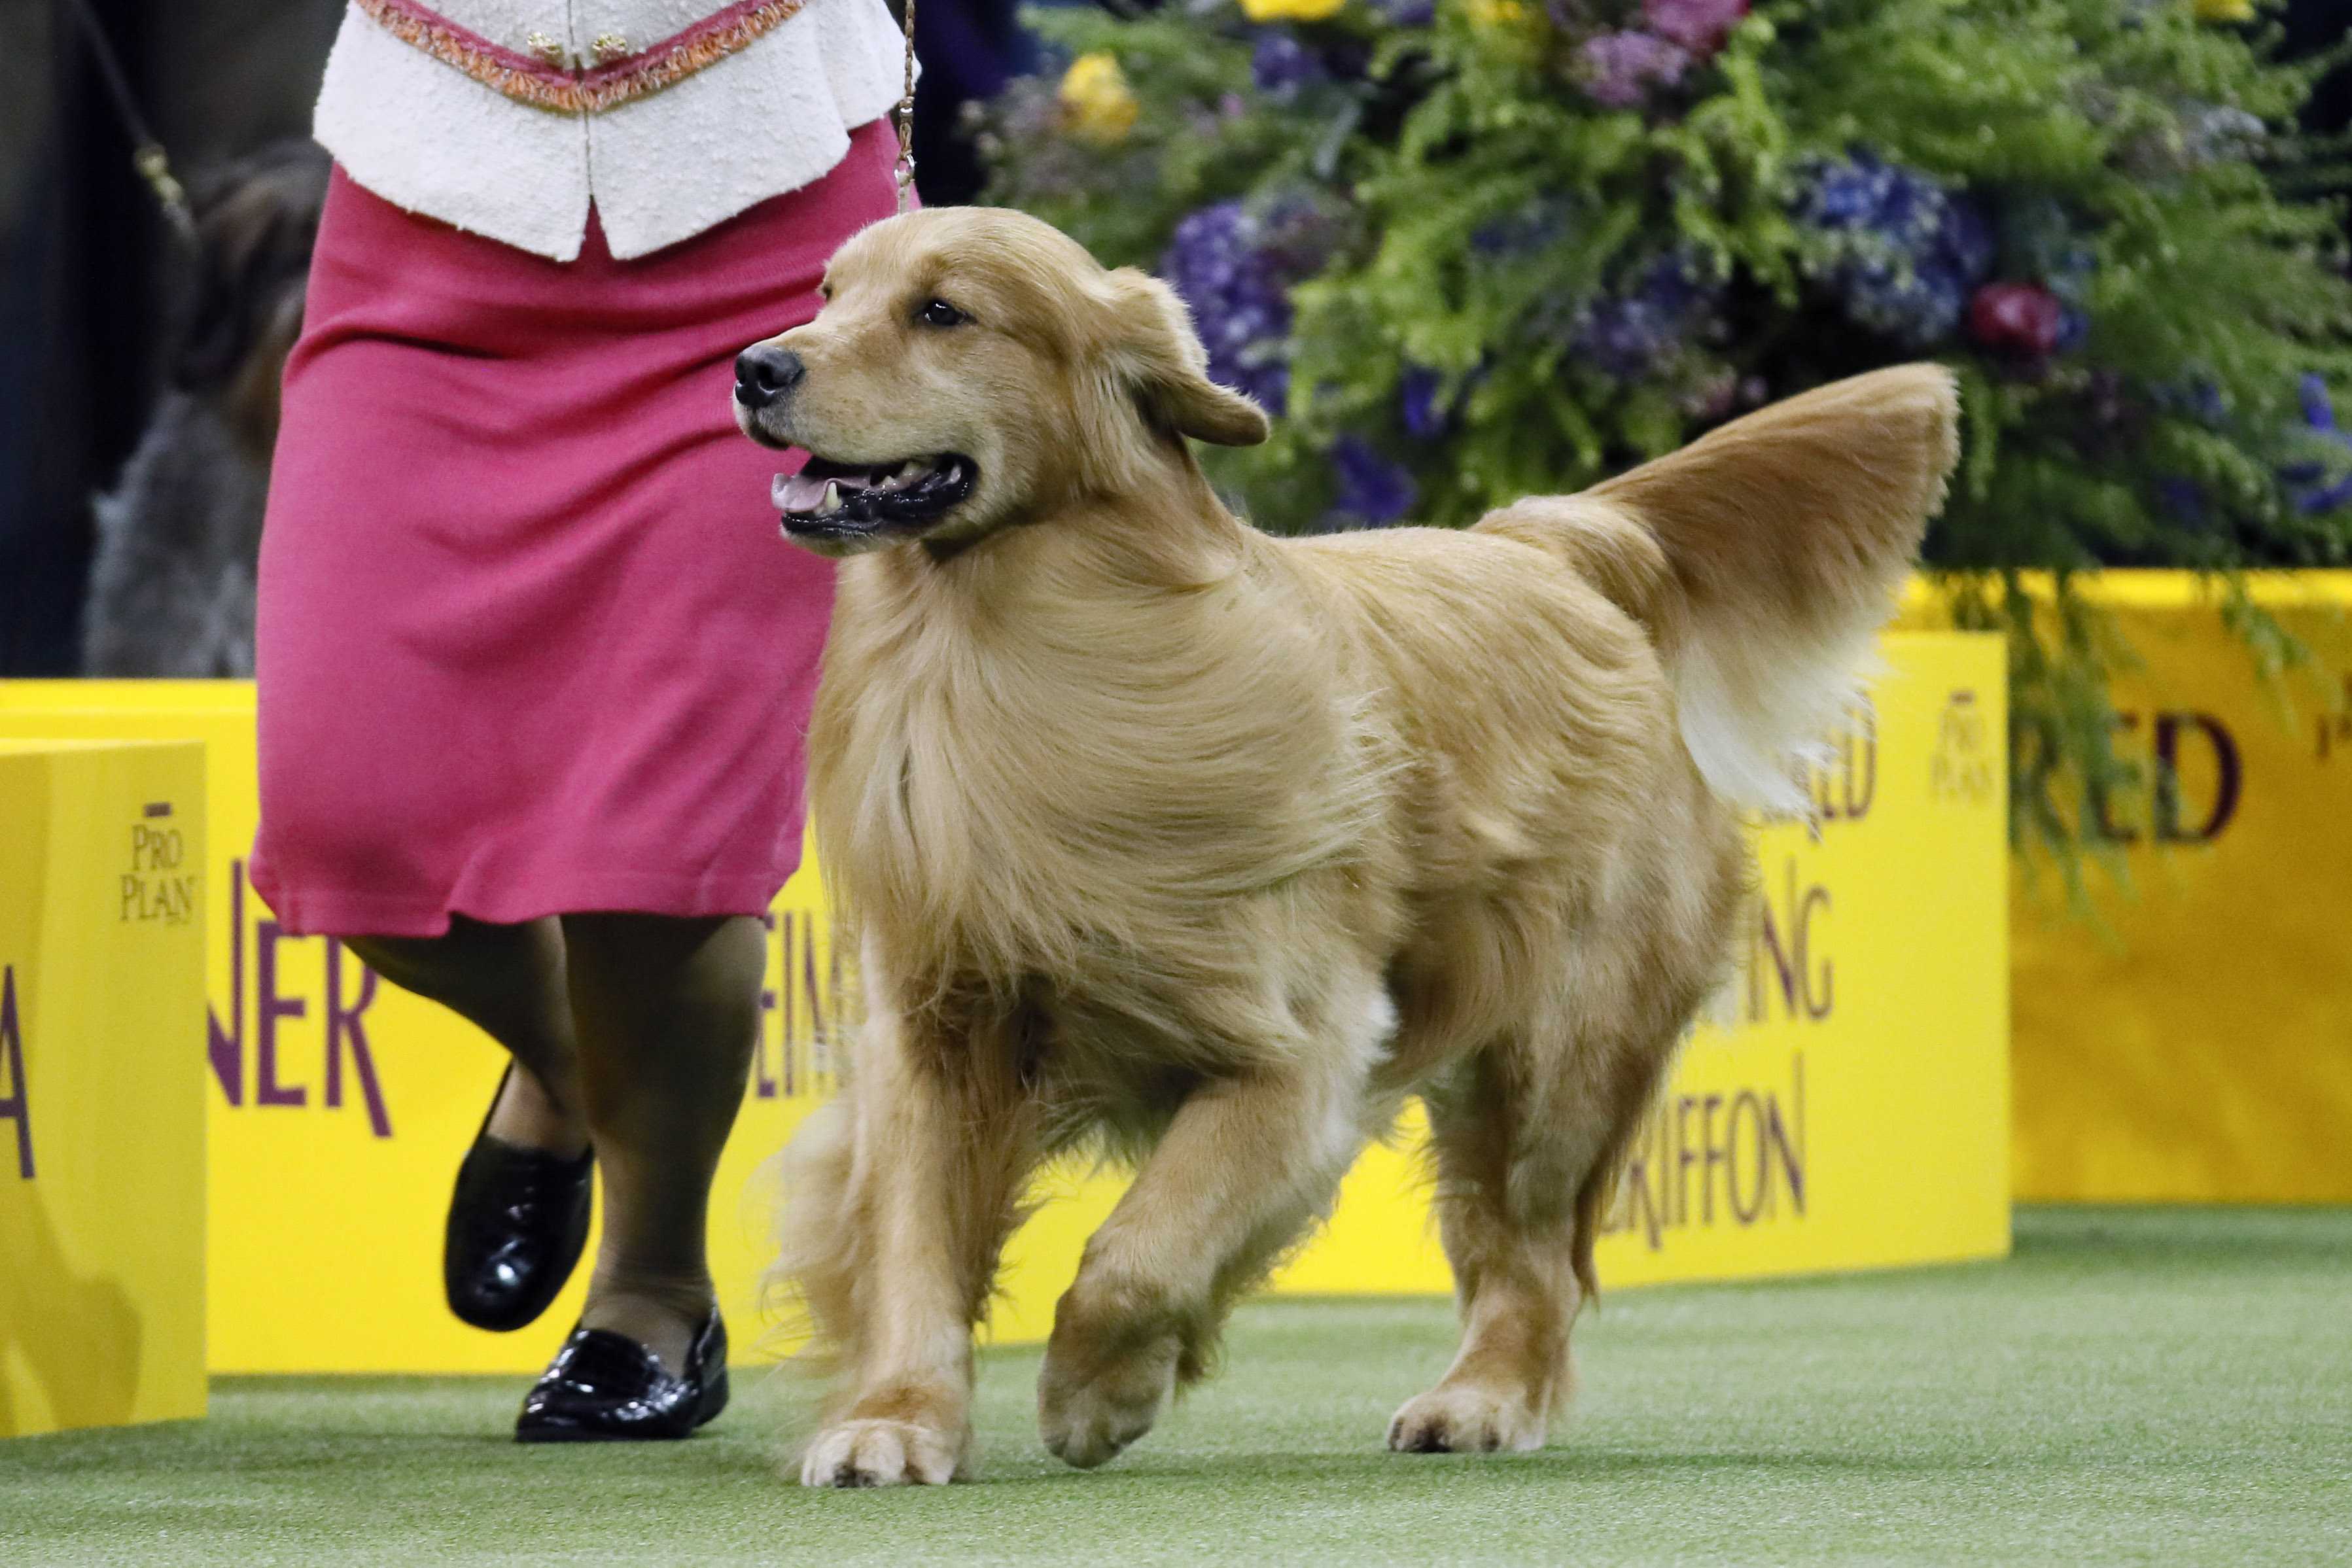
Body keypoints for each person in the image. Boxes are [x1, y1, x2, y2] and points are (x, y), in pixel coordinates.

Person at [251, 0, 911, 1440]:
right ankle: (565, 1072)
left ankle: (652, 1290)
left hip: (768, 217)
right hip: (427, 212)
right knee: (343, 822)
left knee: (657, 854)